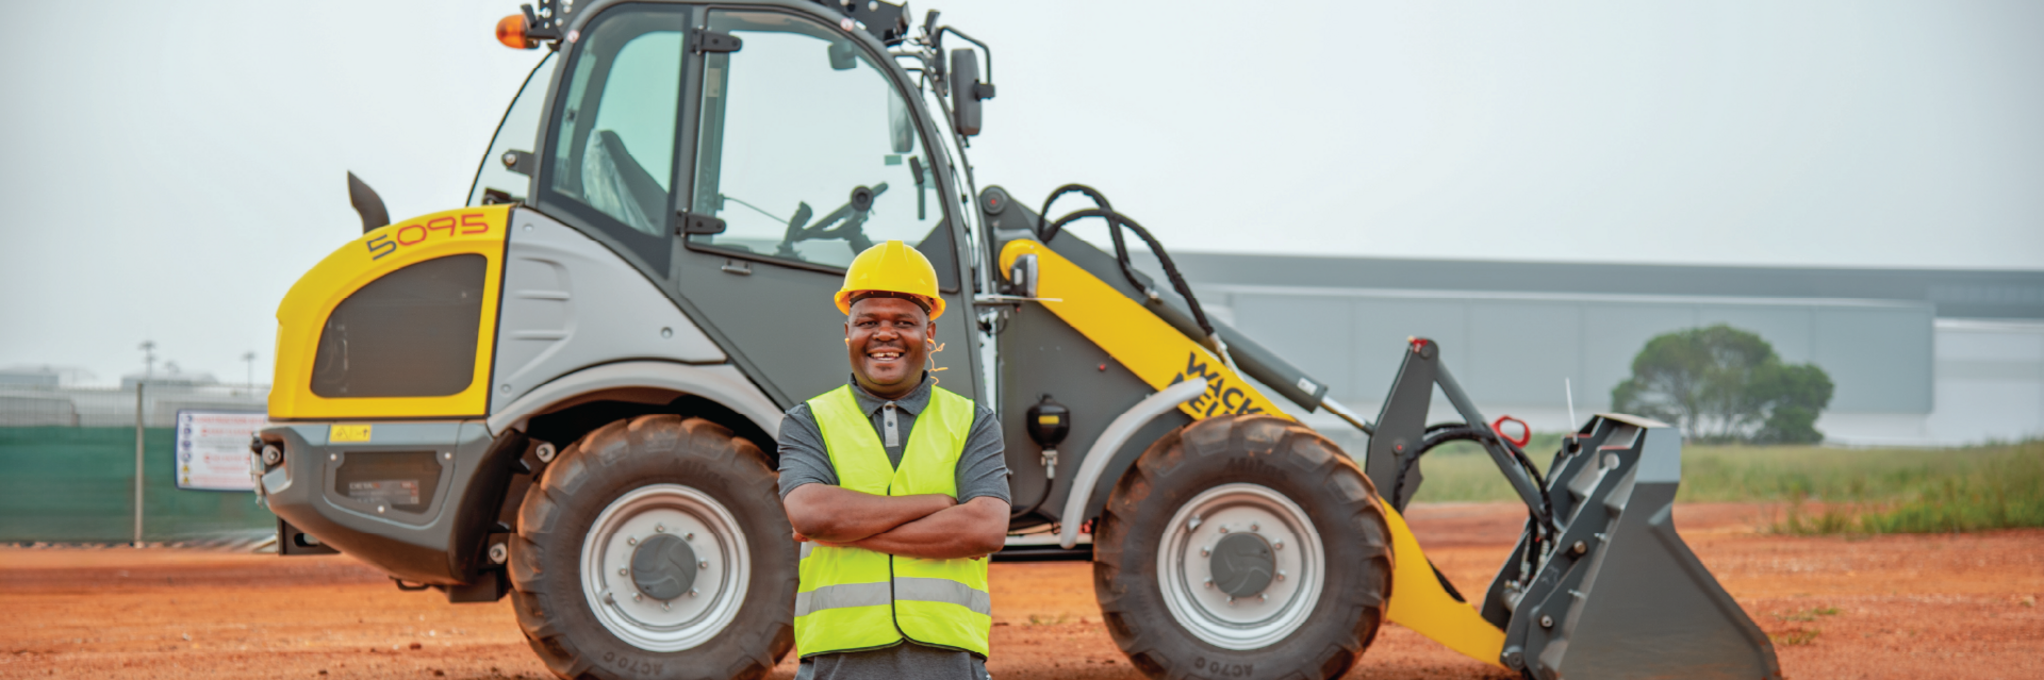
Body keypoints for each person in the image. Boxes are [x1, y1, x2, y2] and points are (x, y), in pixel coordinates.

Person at [777, 240, 1011, 680]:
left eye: (904, 321)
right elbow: (812, 515)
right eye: (868, 322)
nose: (885, 334)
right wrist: (936, 504)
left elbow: (985, 528)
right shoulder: (808, 421)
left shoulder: (972, 422)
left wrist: (846, 533)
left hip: (948, 662)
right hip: (838, 662)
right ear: (847, 331)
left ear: (930, 332)